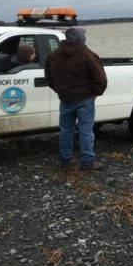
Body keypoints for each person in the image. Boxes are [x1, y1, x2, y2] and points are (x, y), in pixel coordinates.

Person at [45, 27, 107, 171]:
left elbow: (49, 78)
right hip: (84, 99)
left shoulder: (53, 55)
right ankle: (87, 163)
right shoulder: (87, 55)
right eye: (84, 35)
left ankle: (65, 160)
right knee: (85, 131)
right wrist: (96, 93)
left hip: (65, 99)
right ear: (80, 38)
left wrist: (59, 90)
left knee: (66, 130)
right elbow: (100, 79)